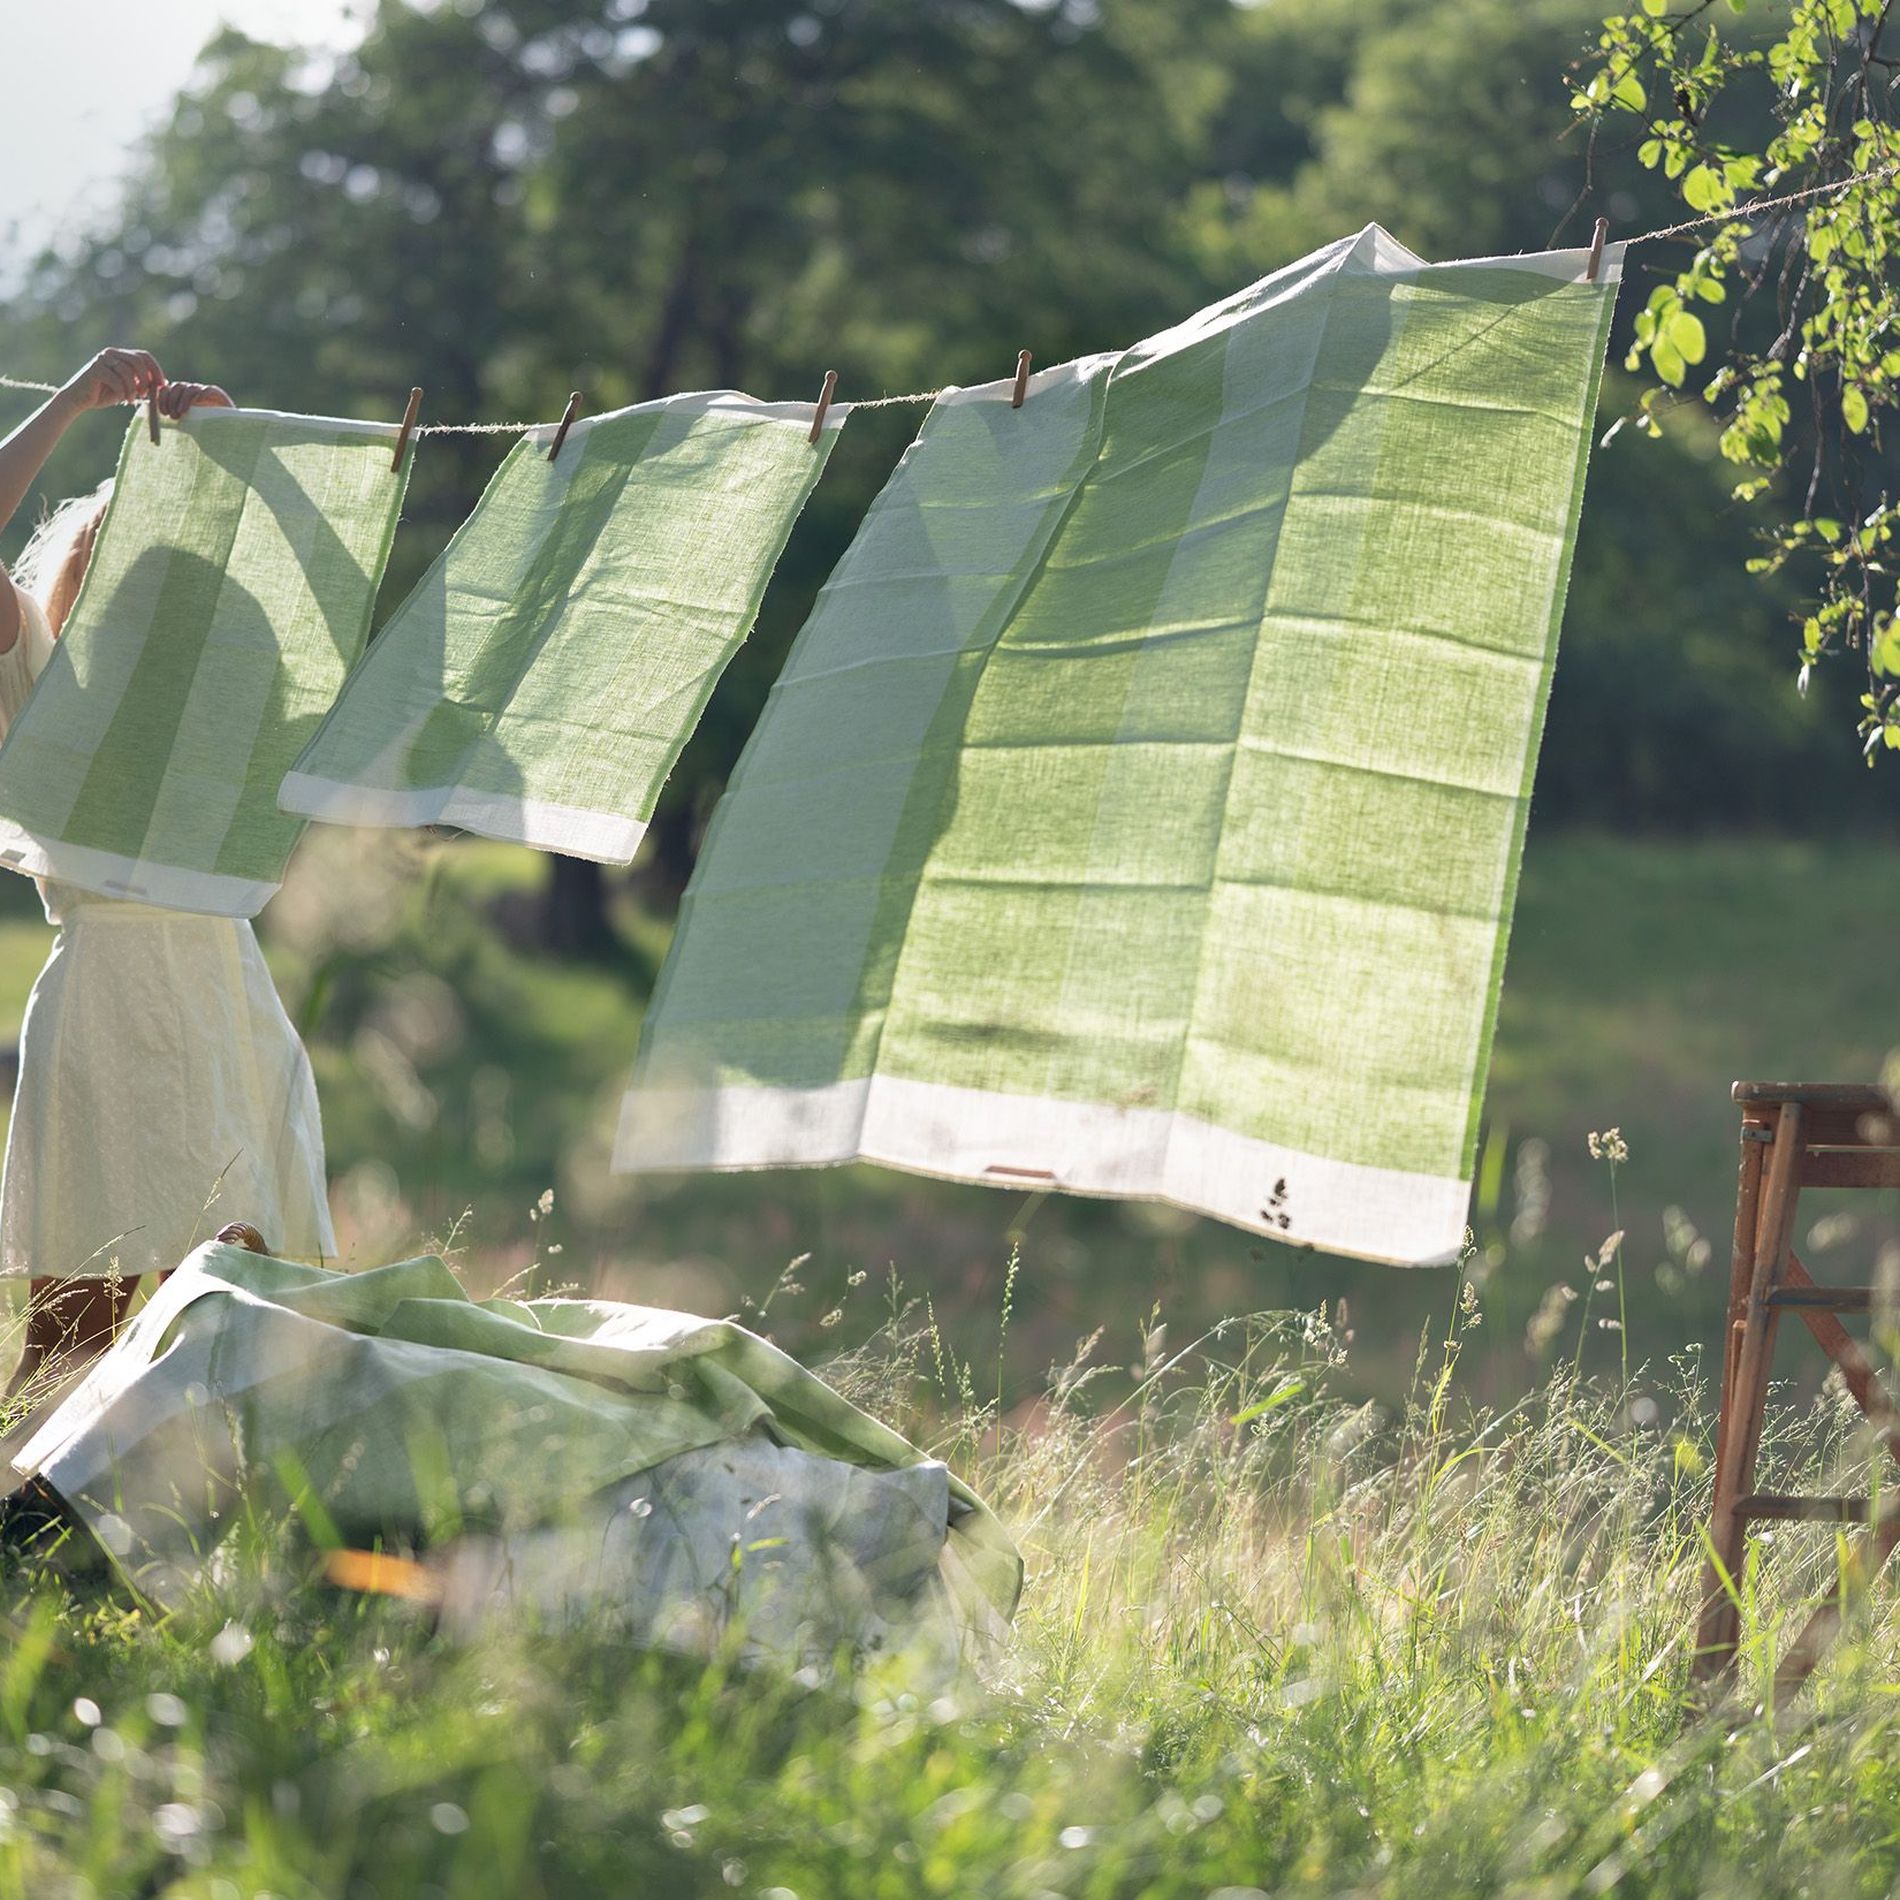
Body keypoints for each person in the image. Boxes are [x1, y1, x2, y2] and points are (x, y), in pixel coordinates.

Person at [0, 348, 336, 1399]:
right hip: (107, 1001)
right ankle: (29, 1529)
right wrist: (72, 402)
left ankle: (225, 1535)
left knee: (261, 1338)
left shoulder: (219, 714)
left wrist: (241, 458)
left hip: (231, 1002)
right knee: (71, 1345)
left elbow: (337, 598)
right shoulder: (38, 668)